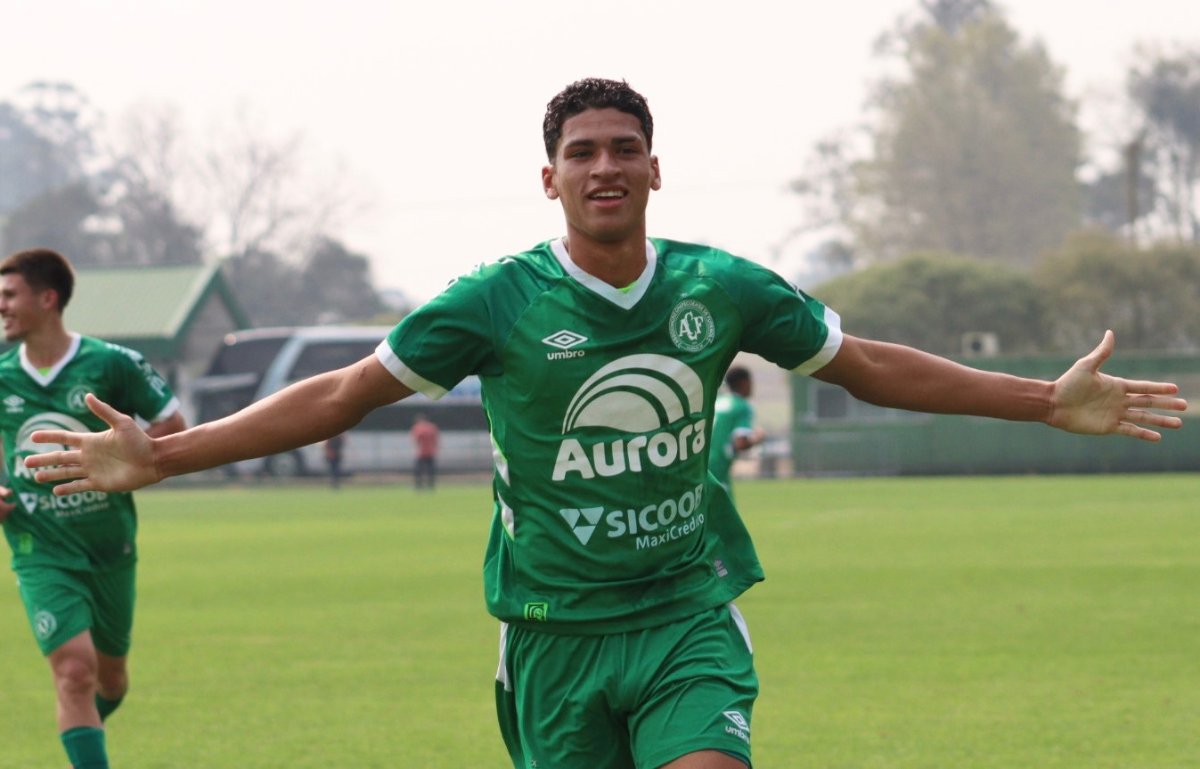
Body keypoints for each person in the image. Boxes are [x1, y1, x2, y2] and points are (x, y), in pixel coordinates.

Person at [24, 79, 1187, 769]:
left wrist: (1041, 397)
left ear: (655, 168)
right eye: (581, 153)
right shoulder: (492, 301)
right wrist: (169, 451)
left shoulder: (720, 286)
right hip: (548, 630)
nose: (604, 167)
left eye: (624, 149)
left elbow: (867, 361)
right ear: (550, 180)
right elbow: (340, 394)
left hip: (684, 610)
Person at [0, 248, 186, 769]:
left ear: (48, 298)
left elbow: (175, 431)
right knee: (75, 673)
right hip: (40, 547)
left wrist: (126, 460)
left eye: (10, 296)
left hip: (110, 547)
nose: (2, 307)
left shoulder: (112, 364)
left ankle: (79, 722)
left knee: (111, 681)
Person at [708, 366, 766, 500]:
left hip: (700, 462)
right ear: (744, 383)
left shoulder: (718, 400)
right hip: (718, 467)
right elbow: (740, 443)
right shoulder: (742, 406)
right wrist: (758, 438)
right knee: (725, 516)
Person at [410, 413, 439, 490]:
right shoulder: (432, 427)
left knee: (424, 471)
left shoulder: (418, 428)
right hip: (426, 452)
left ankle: (424, 486)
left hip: (423, 452)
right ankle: (424, 486)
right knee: (427, 471)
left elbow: (415, 439)